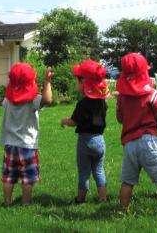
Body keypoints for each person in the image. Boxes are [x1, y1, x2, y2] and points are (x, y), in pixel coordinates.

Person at [115, 53, 157, 215]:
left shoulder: (122, 97)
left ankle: (124, 210)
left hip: (129, 144)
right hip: (149, 141)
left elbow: (120, 119)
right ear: (144, 73)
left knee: (128, 181)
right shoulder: (151, 93)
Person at [0, 62, 52, 206]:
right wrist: (47, 83)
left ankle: (7, 202)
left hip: (10, 144)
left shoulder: (8, 98)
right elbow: (47, 100)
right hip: (27, 145)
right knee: (28, 178)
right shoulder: (32, 99)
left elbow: (5, 103)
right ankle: (26, 203)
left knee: (9, 177)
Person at [60, 59, 110, 204]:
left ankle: (80, 199)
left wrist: (65, 121)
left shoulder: (82, 104)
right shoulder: (102, 102)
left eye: (77, 80)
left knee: (84, 173)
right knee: (99, 170)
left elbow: (74, 121)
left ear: (83, 83)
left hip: (86, 141)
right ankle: (103, 198)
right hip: (100, 140)